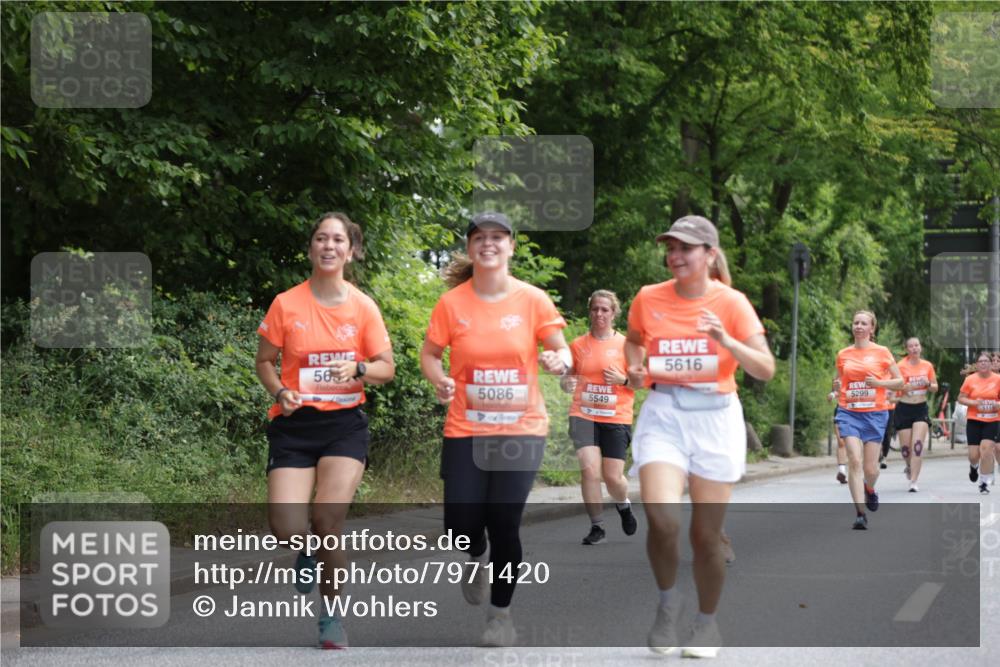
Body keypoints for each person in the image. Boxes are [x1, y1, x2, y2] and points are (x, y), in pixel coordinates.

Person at [625, 215, 775, 658]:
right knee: (663, 520)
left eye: (685, 249)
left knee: (705, 538)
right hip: (665, 414)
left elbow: (764, 367)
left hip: (715, 418)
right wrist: (636, 367)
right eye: (670, 248)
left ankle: (707, 625)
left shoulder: (731, 302)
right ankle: (669, 604)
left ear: (709, 255)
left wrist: (726, 339)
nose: (674, 257)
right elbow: (634, 340)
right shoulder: (648, 298)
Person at [420, 212, 569, 647]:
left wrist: (561, 362)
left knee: (505, 521)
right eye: (479, 237)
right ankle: (475, 554)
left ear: (511, 246)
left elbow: (560, 349)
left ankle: (500, 616)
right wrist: (439, 378)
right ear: (470, 248)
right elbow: (430, 355)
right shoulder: (452, 304)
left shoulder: (533, 300)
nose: (488, 244)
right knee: (461, 526)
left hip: (521, 428)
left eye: (497, 237)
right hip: (466, 427)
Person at [255, 212, 395, 649]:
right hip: (295, 426)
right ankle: (305, 551)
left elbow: (386, 369)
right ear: (312, 248)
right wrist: (280, 391)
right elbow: (263, 362)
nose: (328, 246)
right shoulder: (286, 304)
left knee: (327, 519)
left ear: (350, 251)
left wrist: (357, 367)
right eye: (321, 238)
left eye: (338, 240)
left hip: (343, 427)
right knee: (286, 528)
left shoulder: (362, 306)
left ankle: (331, 617)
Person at [560, 290, 638, 545]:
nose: (599, 314)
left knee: (613, 477)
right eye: (595, 309)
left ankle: (623, 505)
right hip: (583, 414)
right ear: (590, 311)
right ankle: (597, 527)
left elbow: (643, 380)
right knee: (589, 470)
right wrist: (567, 383)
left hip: (616, 417)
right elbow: (567, 377)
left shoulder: (627, 345)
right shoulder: (578, 345)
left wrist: (623, 380)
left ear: (614, 313)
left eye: (605, 309)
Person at [834, 310, 903, 530]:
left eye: (864, 323)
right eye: (856, 323)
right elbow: (839, 381)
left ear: (871, 329)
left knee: (871, 469)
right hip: (849, 412)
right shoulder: (843, 354)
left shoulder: (882, 352)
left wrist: (880, 384)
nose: (859, 326)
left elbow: (900, 381)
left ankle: (869, 488)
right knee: (854, 460)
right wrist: (836, 388)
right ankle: (860, 513)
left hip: (875, 414)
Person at [895, 337, 938, 492]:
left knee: (917, 447)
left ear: (920, 348)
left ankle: (913, 481)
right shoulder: (900, 366)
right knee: (906, 450)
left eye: (917, 345)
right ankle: (908, 465)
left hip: (920, 408)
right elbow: (894, 388)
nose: (914, 348)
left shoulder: (927, 366)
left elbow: (935, 387)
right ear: (907, 349)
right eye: (911, 346)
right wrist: (903, 388)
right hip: (904, 408)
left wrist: (927, 384)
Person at [957, 351, 1000, 494]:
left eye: (986, 361)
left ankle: (984, 482)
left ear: (990, 364)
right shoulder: (970, 380)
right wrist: (974, 402)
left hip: (992, 420)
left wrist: (997, 405)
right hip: (974, 420)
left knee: (986, 450)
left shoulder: (998, 379)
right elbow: (961, 398)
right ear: (977, 364)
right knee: (973, 455)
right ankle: (973, 466)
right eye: (980, 361)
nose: (983, 363)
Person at [827, 381, 849, 484]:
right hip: (840, 412)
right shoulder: (842, 374)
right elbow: (837, 391)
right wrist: (831, 395)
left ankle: (856, 470)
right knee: (841, 442)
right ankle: (842, 471)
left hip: (858, 414)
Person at [878, 388, 897, 470]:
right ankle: (878, 454)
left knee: (887, 433)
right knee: (877, 432)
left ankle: (884, 457)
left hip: (889, 408)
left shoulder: (894, 377)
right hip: (877, 408)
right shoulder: (877, 376)